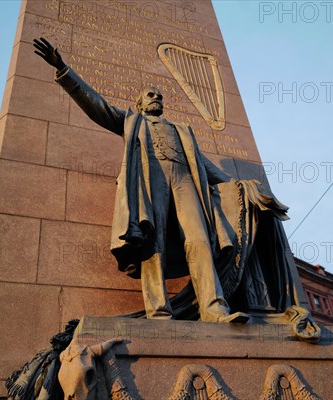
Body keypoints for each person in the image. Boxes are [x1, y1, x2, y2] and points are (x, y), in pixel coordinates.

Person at [33, 37, 247, 323]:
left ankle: (213, 308)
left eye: (159, 95)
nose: (156, 98)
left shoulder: (181, 129)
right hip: (151, 179)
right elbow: (97, 106)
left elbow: (204, 165)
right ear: (139, 103)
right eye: (150, 95)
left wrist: (239, 186)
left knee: (199, 239)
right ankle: (158, 311)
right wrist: (63, 70)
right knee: (152, 240)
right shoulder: (133, 122)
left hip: (185, 181)